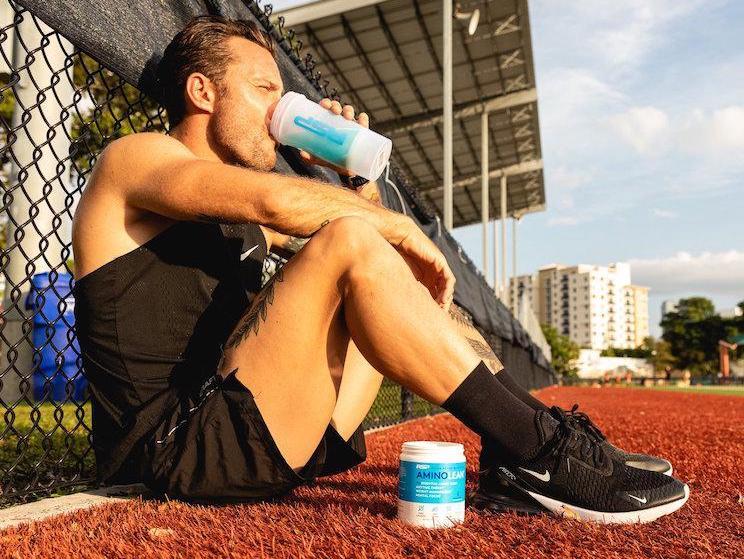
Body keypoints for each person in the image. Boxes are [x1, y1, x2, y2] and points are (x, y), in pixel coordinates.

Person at [72, 16, 688, 523]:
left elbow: (371, 262)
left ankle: (520, 441)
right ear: (202, 92)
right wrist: (399, 226)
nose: (277, 108)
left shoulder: (237, 218)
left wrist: (356, 180)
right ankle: (537, 450)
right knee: (351, 241)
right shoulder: (138, 158)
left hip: (267, 429)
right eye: (264, 89)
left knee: (375, 255)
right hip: (177, 449)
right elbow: (285, 207)